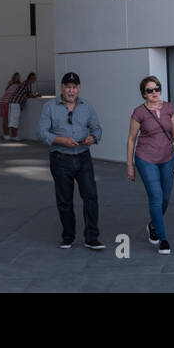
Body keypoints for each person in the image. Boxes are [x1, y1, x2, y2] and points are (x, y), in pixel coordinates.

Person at [37, 72, 104, 250]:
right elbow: (42, 132)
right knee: (64, 199)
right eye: (68, 87)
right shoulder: (50, 107)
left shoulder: (87, 106)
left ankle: (92, 237)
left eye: (74, 87)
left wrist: (93, 137)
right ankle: (68, 236)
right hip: (60, 158)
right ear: (62, 87)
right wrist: (61, 140)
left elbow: (97, 128)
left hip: (83, 157)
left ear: (79, 88)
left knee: (90, 196)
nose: (71, 90)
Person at [126, 75, 174, 255]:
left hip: (168, 158)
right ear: (144, 93)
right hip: (145, 158)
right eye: (150, 90)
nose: (154, 92)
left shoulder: (169, 108)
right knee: (156, 196)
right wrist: (130, 165)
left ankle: (152, 224)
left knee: (165, 198)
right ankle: (163, 238)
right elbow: (131, 140)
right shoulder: (139, 112)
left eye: (156, 88)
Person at [6, 72, 39, 141]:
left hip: (12, 102)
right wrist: (37, 95)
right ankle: (15, 136)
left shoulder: (24, 83)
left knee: (12, 120)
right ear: (31, 78)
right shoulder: (28, 83)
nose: (35, 80)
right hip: (16, 103)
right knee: (15, 120)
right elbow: (30, 95)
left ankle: (13, 136)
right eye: (35, 78)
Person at [0, 72, 21, 139]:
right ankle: (14, 136)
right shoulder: (19, 85)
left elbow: (5, 91)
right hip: (9, 102)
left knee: (5, 119)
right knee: (11, 120)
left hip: (2, 101)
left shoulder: (10, 84)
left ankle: (6, 135)